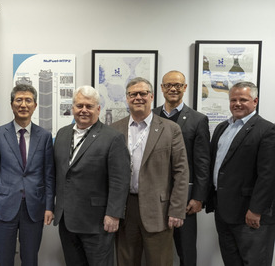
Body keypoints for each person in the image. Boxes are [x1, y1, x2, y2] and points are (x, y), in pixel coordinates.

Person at [110, 77, 189, 266]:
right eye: (133, 94)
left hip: (159, 210)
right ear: (127, 98)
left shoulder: (170, 129)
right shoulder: (114, 129)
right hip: (125, 208)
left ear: (151, 96)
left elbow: (181, 172)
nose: (138, 97)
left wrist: (177, 210)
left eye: (143, 93)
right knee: (126, 261)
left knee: (160, 262)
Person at [53, 85, 130, 266]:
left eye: (89, 106)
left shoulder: (113, 138)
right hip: (67, 220)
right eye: (79, 106)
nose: (84, 110)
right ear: (72, 108)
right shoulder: (62, 134)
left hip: (97, 222)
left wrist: (113, 214)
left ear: (98, 109)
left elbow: (120, 180)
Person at [0, 84, 55, 266]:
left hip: (34, 207)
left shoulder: (45, 136)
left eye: (28, 100)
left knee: (30, 259)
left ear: (35, 105)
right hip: (3, 207)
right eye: (19, 100)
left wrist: (49, 206)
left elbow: (49, 175)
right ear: (12, 104)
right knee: (3, 259)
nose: (23, 105)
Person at [206, 81, 275, 266]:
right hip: (223, 211)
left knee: (255, 262)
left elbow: (268, 175)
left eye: (243, 99)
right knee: (231, 261)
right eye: (233, 99)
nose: (237, 103)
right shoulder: (222, 128)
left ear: (255, 101)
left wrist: (256, 210)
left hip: (250, 214)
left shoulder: (267, 130)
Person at [152, 70, 210, 266]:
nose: (173, 89)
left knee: (185, 248)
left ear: (185, 88)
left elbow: (202, 162)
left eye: (178, 85)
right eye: (168, 85)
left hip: (185, 196)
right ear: (162, 88)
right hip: (155, 195)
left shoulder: (198, 119)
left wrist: (199, 197)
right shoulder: (150, 116)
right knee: (157, 247)